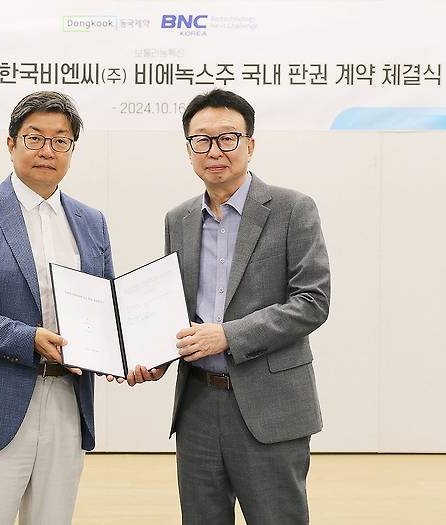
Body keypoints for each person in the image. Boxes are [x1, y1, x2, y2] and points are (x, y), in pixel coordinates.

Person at [129, 89, 331, 524]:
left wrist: (228, 335)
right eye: (201, 140)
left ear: (250, 144)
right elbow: (175, 309)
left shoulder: (293, 209)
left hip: (270, 405)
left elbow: (312, 301)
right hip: (198, 404)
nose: (214, 150)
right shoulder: (179, 219)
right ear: (189, 150)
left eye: (227, 138)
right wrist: (154, 355)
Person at [0, 91, 113, 525]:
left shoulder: (91, 221)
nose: (48, 150)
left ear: (72, 150)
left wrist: (122, 351)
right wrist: (27, 339)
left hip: (67, 399)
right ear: (11, 143)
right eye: (35, 138)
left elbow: (104, 308)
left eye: (61, 140)